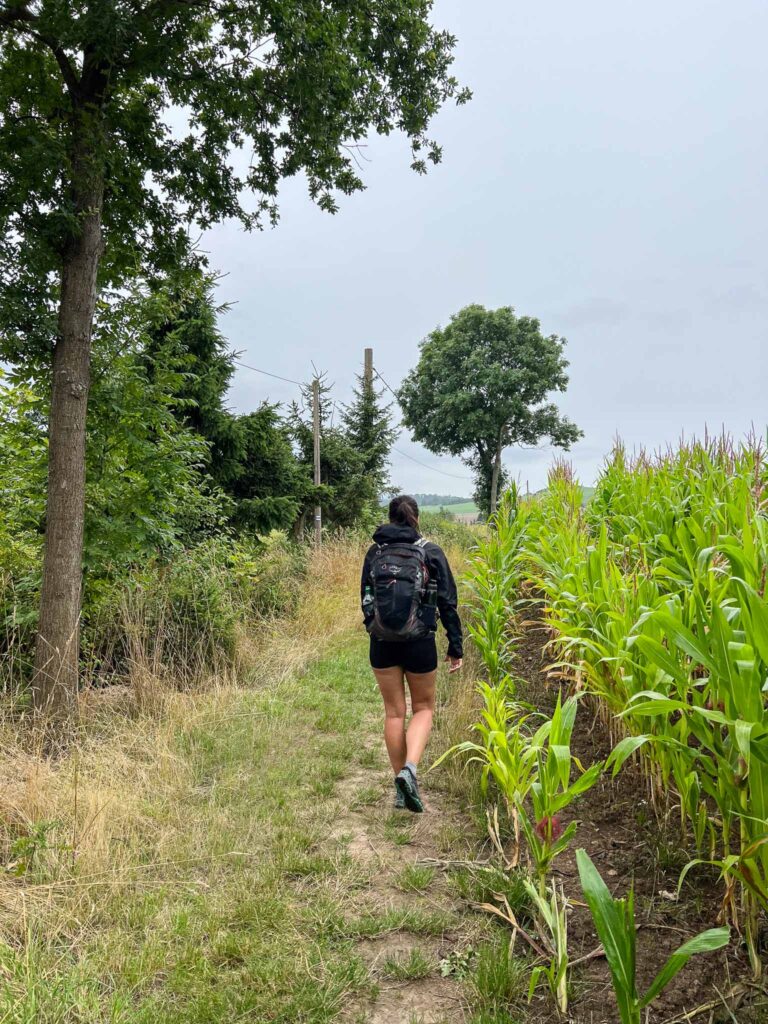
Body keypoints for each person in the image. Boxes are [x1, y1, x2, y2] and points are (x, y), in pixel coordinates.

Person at [360, 494, 463, 812]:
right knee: (423, 708)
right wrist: (455, 646)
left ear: (390, 518)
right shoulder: (430, 551)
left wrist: (375, 628)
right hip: (420, 643)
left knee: (394, 713)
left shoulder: (375, 552)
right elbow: (447, 602)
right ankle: (410, 770)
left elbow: (366, 597)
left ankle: (400, 788)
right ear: (416, 518)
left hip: (382, 643)